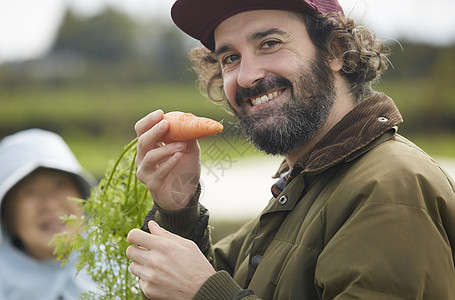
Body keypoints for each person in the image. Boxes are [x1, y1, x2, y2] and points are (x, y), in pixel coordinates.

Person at [125, 0, 455, 299]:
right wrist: (179, 207)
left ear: (335, 51)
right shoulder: (306, 185)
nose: (246, 77)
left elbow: (205, 284)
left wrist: (206, 293)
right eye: (230, 58)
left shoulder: (390, 187)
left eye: (269, 44)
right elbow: (210, 274)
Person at [0, 128, 97, 300]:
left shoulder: (126, 265)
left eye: (60, 185)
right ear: (7, 218)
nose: (50, 205)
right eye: (30, 192)